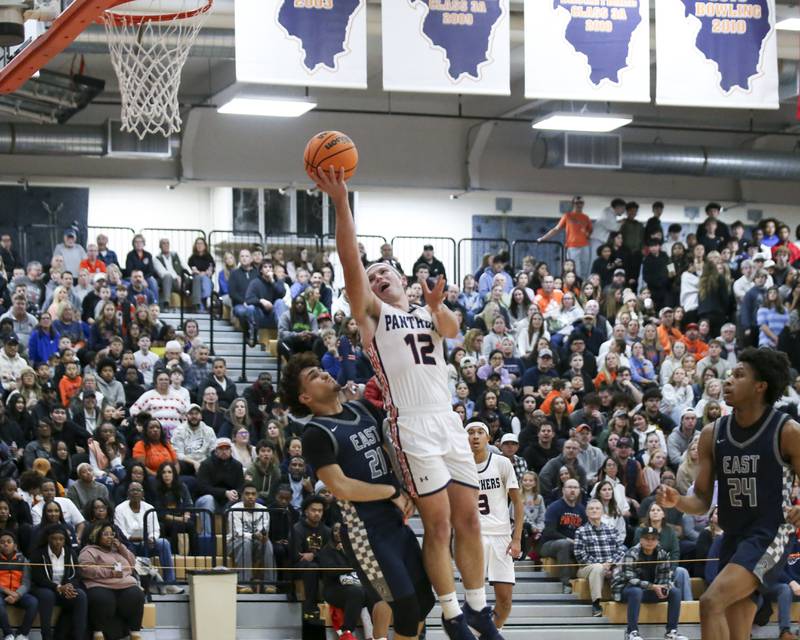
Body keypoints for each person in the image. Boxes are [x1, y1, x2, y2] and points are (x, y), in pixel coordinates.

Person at [315, 166, 495, 638]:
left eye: (384, 272)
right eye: (371, 276)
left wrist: (437, 306)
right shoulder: (373, 319)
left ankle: (477, 608)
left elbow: (455, 331)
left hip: (448, 421)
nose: (376, 278)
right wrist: (341, 202)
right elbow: (351, 261)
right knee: (438, 527)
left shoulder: (426, 312)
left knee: (469, 521)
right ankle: (453, 614)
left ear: (401, 279)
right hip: (410, 423)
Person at [282, 352, 433, 636]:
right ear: (305, 398)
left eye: (320, 370)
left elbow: (390, 449)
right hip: (366, 533)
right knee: (404, 607)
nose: (324, 374)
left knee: (423, 603)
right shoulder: (315, 434)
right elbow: (341, 486)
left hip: (395, 522)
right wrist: (392, 492)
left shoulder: (363, 408)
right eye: (314, 376)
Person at [658, 347, 800, 640]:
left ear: (760, 386)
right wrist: (678, 501)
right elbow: (700, 502)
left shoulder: (786, 431)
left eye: (739, 375)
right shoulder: (713, 433)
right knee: (737, 632)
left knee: (711, 602)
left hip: (771, 534)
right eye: (729, 374)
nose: (728, 381)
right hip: (733, 536)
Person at [467, 421, 523, 629]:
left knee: (505, 601)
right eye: (470, 432)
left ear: (488, 438)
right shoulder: (460, 467)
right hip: (473, 536)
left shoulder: (502, 463)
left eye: (480, 432)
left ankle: (492, 633)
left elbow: (518, 503)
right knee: (475, 602)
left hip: (501, 535)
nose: (475, 436)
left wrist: (516, 538)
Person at [611, 526, 688, 640]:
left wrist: (664, 587)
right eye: (647, 538)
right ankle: (632, 632)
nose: (650, 541)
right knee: (636, 591)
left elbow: (666, 577)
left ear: (657, 541)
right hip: (625, 590)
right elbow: (630, 578)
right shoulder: (632, 553)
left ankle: (671, 631)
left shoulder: (662, 554)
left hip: (649, 591)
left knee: (675, 592)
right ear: (641, 540)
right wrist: (653, 586)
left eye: (653, 539)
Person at [79, 521, 145, 640]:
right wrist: (110, 573)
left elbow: (132, 563)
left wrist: (121, 547)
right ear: (96, 535)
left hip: (124, 584)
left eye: (112, 534)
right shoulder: (89, 551)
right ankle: (98, 633)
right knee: (102, 599)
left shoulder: (117, 550)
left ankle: (135, 632)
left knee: (137, 595)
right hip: (100, 584)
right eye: (106, 534)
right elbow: (86, 569)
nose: (110, 537)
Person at [114, 481, 183, 594]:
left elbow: (155, 529)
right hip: (129, 544)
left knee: (164, 543)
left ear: (142, 494)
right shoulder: (120, 509)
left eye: (138, 490)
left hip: (147, 543)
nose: (135, 493)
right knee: (126, 547)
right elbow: (120, 531)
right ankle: (138, 584)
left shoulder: (149, 508)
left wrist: (152, 538)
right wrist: (133, 538)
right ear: (128, 493)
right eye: (132, 490)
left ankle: (170, 583)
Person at [29, 523, 87, 640]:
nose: (58, 542)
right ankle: (46, 636)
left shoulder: (70, 553)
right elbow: (38, 578)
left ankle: (79, 637)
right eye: (54, 539)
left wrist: (69, 586)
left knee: (80, 595)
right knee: (47, 595)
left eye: (61, 539)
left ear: (65, 540)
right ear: (48, 539)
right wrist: (58, 587)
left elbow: (77, 575)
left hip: (64, 588)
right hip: (44, 588)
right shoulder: (38, 553)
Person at [574, 498, 626, 617]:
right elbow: (580, 555)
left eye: (597, 508)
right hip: (587, 568)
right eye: (591, 509)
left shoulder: (612, 529)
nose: (594, 511)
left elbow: (622, 549)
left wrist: (610, 564)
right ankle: (596, 603)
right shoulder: (580, 531)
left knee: (624, 566)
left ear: (602, 512)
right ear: (586, 512)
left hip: (611, 565)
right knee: (597, 568)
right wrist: (602, 565)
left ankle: (619, 599)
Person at [539, 478, 587, 593]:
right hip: (549, 545)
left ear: (579, 491)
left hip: (573, 545)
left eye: (575, 488)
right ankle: (566, 583)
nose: (572, 490)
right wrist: (568, 539)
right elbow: (549, 532)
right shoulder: (554, 507)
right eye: (569, 487)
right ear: (563, 490)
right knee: (564, 544)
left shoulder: (582, 509)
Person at [226, 483, 274, 593]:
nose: (250, 496)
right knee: (245, 542)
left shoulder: (263, 509)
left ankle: (269, 584)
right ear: (242, 496)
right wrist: (253, 535)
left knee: (267, 543)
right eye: (247, 494)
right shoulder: (234, 509)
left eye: (253, 494)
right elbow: (237, 532)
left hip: (255, 543)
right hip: (234, 543)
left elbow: (263, 529)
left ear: (257, 496)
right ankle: (243, 584)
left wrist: (262, 536)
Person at [538, 195, 592, 279]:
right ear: (573, 204)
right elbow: (556, 229)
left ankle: (583, 288)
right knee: (575, 270)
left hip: (585, 246)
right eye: (577, 203)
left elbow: (590, 231)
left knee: (585, 270)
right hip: (572, 246)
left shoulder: (586, 217)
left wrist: (586, 234)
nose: (579, 205)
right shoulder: (567, 216)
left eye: (581, 203)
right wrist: (543, 238)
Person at [0, 530, 38, 640]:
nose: (5, 544)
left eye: (9, 541)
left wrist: (17, 594)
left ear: (15, 545)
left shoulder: (23, 560)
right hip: (2, 592)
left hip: (18, 593)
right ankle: (8, 634)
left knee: (33, 602)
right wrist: (7, 591)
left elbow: (26, 582)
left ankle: (23, 634)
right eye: (2, 542)